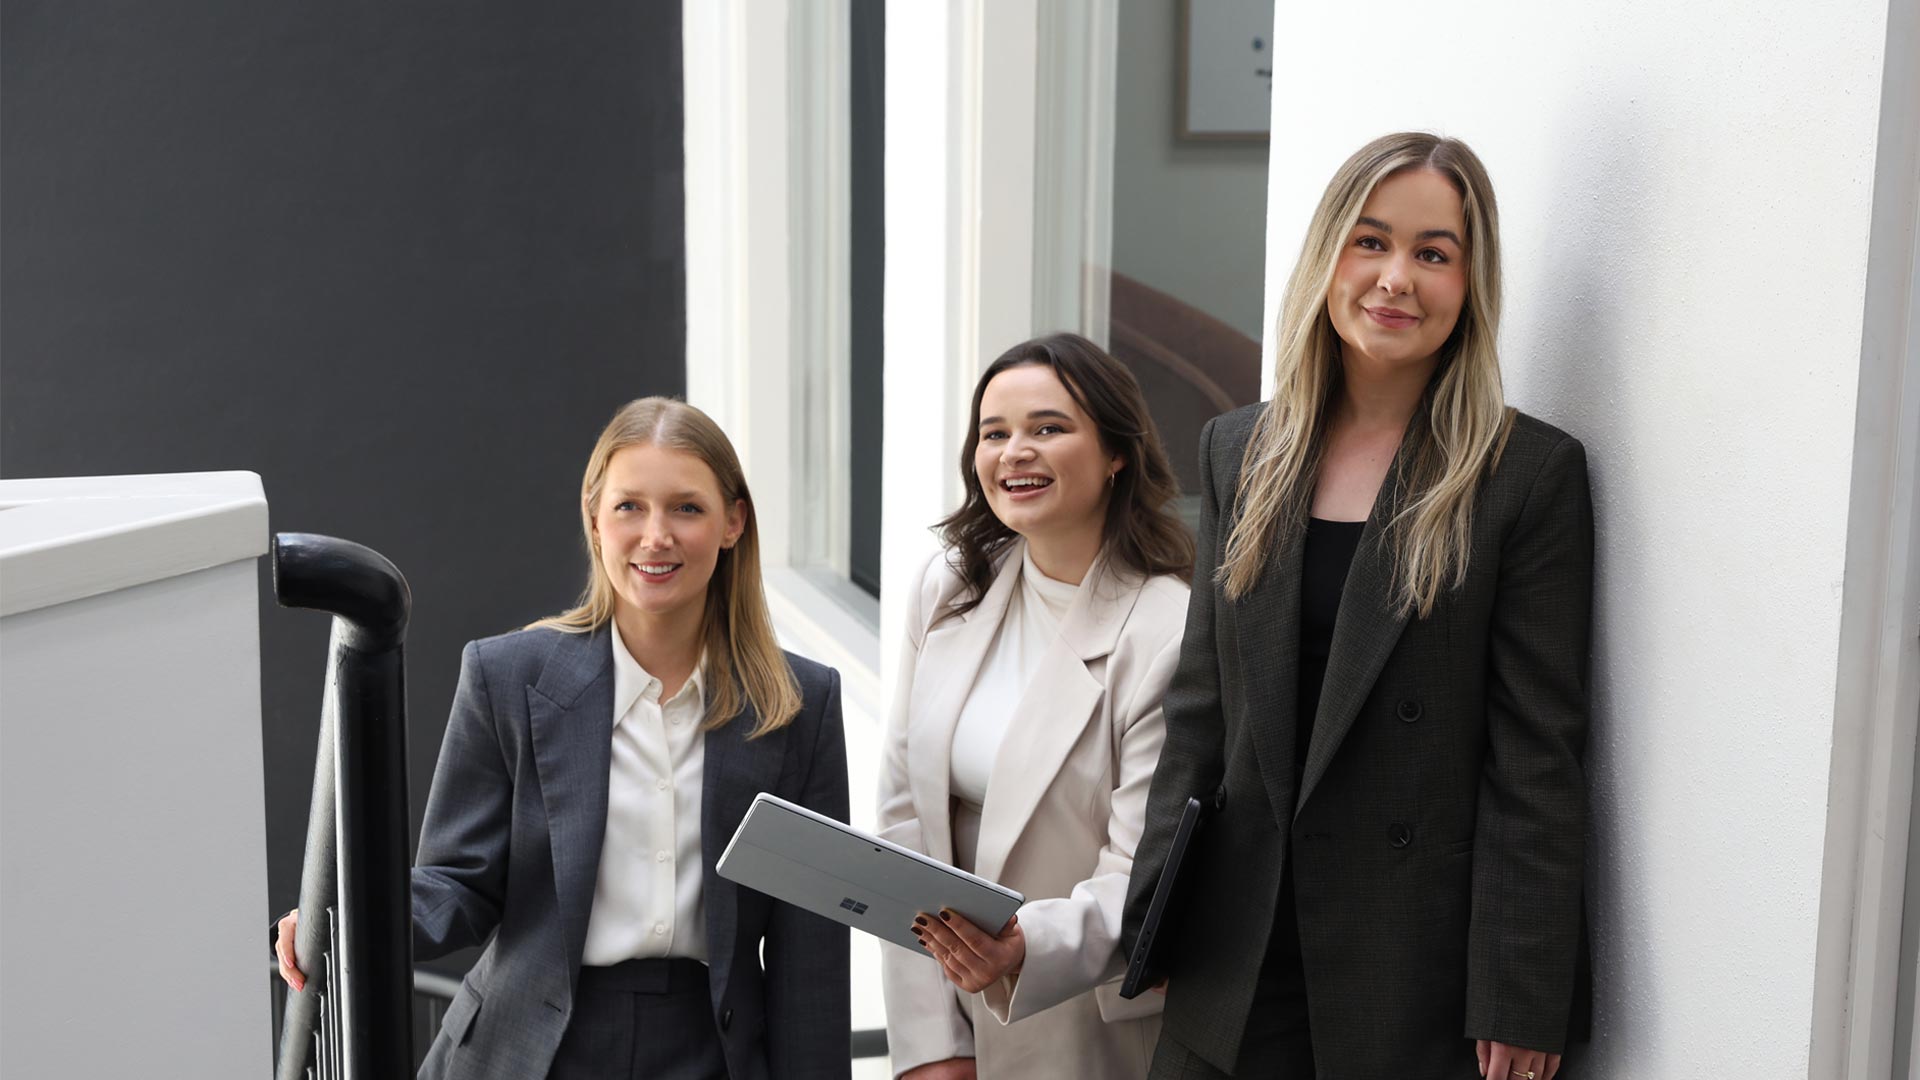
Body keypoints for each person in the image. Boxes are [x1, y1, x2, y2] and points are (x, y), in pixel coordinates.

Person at [1122, 132, 1593, 1080]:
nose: (1396, 279)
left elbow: (1535, 758)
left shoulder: (1525, 476)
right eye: (1370, 242)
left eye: (1433, 253)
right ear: (1328, 256)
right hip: (1235, 950)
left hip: (1409, 975)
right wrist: (1157, 923)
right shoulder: (1238, 450)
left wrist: (1521, 991)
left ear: (1470, 283)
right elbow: (1203, 710)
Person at [275, 397, 851, 1080]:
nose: (655, 535)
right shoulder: (507, 674)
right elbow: (459, 882)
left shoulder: (799, 704)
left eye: (687, 508)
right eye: (629, 506)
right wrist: (342, 917)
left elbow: (810, 953)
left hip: (711, 1053)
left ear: (733, 522)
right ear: (594, 516)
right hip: (528, 1049)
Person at [878, 333, 1195, 1080]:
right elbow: (904, 821)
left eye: (1048, 428)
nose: (1014, 452)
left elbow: (1140, 871)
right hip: (952, 1019)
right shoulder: (951, 585)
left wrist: (1018, 949)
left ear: (1117, 452)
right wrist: (930, 1046)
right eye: (995, 433)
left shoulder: (1164, 630)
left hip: (1087, 1026)